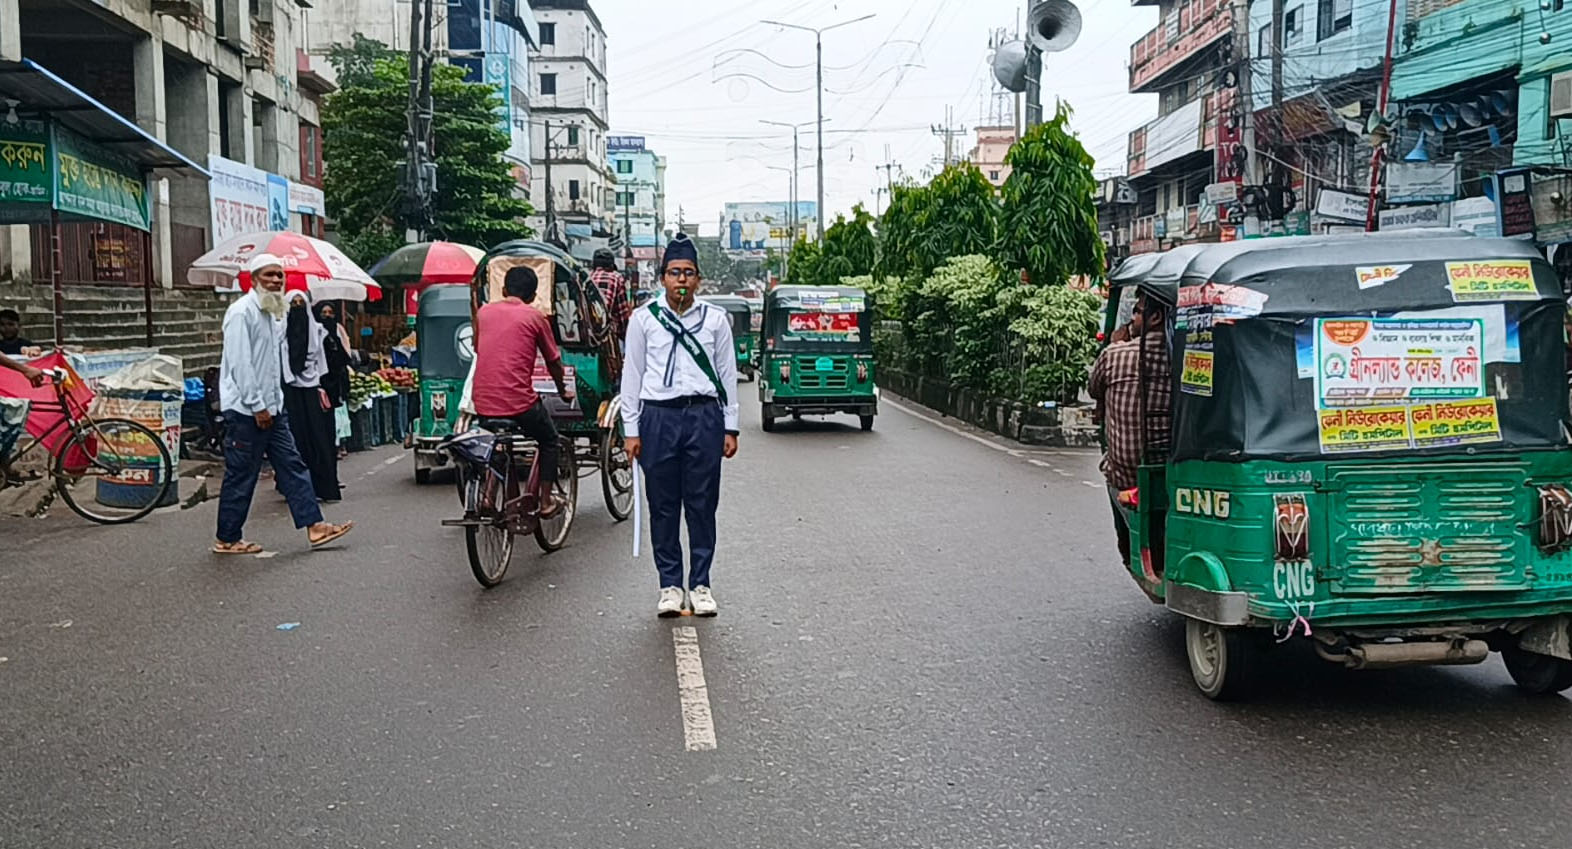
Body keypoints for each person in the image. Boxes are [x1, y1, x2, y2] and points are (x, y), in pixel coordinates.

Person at [620, 233, 740, 618]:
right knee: (664, 504)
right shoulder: (643, 320)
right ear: (663, 279)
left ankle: (701, 584)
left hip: (704, 416)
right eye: (675, 273)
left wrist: (731, 426)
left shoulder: (716, 321)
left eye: (689, 273)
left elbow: (727, 372)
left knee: (703, 504)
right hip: (658, 417)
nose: (682, 281)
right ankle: (670, 585)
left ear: (699, 279)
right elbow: (632, 374)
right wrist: (631, 429)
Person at [213, 253, 353, 555]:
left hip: (273, 409)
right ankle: (227, 538)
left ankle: (315, 526)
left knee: (293, 466)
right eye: (269, 275)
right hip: (246, 410)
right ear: (254, 280)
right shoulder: (241, 313)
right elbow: (241, 364)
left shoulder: (271, 314)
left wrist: (273, 405)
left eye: (280, 275)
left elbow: (273, 366)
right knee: (242, 474)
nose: (276, 280)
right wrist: (257, 405)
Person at [471, 265, 574, 517]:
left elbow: (478, 348)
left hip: (482, 401)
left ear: (504, 290)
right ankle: (547, 500)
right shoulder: (535, 317)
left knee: (496, 443)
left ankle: (487, 495)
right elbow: (553, 362)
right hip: (519, 404)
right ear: (532, 296)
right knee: (549, 440)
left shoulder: (483, 313)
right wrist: (563, 391)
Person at [1088, 293, 1172, 575]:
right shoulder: (1185, 356)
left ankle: (1131, 551)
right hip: (1178, 470)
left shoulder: (1115, 355)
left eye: (1137, 312)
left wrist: (1116, 345)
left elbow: (1093, 388)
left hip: (1130, 475)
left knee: (1109, 471)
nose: (1132, 318)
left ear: (1155, 317)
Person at [282, 291, 341, 502]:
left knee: (318, 439)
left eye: (301, 303)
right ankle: (298, 490)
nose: (297, 307)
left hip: (312, 389)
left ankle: (324, 487)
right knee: (295, 441)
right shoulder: (281, 333)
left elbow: (322, 364)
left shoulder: (317, 332)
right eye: (293, 304)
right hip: (290, 391)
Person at [590, 248, 633, 340]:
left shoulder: (589, 277)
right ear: (611, 266)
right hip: (608, 334)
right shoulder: (616, 277)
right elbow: (622, 314)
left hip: (590, 332)